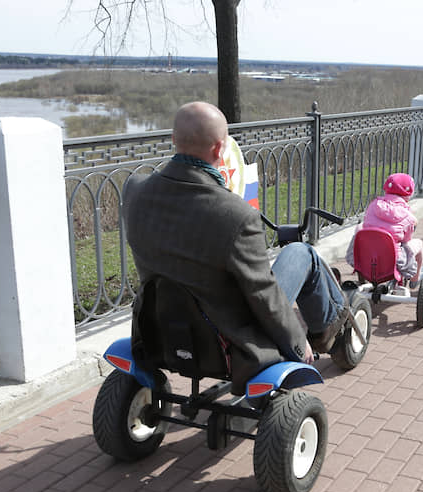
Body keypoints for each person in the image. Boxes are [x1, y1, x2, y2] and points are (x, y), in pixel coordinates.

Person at [122, 101, 346, 391]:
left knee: (296, 257)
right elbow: (262, 294)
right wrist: (296, 343)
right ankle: (329, 330)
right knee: (301, 253)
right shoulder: (236, 215)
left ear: (174, 140)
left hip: (160, 326)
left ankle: (330, 321)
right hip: (227, 337)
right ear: (219, 150)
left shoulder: (136, 190)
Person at [347, 173, 423, 284]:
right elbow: (406, 240)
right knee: (418, 243)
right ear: (409, 193)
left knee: (361, 228)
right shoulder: (407, 216)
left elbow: (367, 223)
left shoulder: (373, 205)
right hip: (393, 260)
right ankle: (415, 278)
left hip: (367, 255)